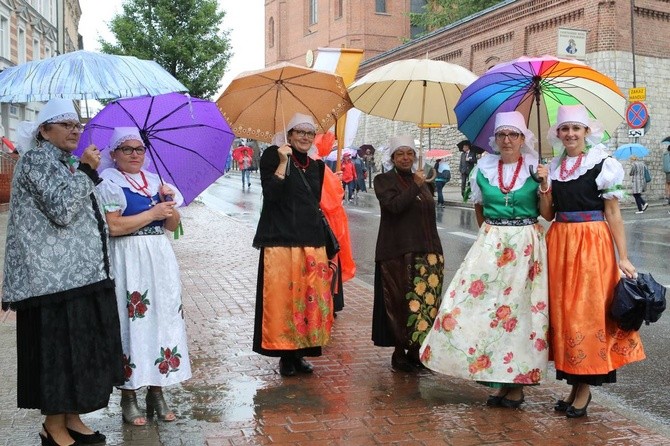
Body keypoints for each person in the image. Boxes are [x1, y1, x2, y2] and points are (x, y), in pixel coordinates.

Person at [2, 99, 124, 446]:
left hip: (76, 277)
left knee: (78, 349)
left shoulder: (63, 161)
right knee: (56, 352)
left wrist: (82, 170)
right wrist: (87, 170)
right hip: (49, 280)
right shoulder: (36, 160)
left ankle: (71, 418)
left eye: (77, 124)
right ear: (44, 130)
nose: (75, 130)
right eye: (66, 124)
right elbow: (62, 208)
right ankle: (52, 426)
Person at [420, 111, 552, 408]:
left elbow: (548, 214)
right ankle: (495, 377)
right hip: (491, 245)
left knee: (518, 316)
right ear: (495, 140)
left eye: (513, 135)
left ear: (523, 139)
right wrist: (493, 237)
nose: (507, 140)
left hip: (526, 248)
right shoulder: (484, 168)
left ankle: (515, 384)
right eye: (502, 135)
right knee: (483, 310)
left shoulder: (536, 169)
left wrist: (544, 186)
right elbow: (480, 209)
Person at [544, 104, 645, 418]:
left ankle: (584, 391)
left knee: (586, 316)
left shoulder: (603, 163)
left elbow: (613, 213)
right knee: (565, 315)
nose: (571, 134)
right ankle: (574, 386)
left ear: (586, 131)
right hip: (560, 241)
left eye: (576, 128)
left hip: (592, 245)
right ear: (558, 134)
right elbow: (547, 214)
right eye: (565, 129)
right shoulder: (554, 166)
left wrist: (623, 257)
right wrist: (544, 185)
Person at [97, 127, 191, 425]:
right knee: (131, 323)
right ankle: (129, 396)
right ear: (113, 154)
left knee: (162, 320)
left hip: (159, 260)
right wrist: (152, 213)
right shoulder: (107, 183)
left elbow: (172, 225)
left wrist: (169, 206)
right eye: (127, 149)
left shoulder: (156, 182)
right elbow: (113, 227)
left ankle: (157, 391)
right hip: (128, 259)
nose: (135, 154)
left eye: (139, 149)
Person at [252, 113, 334, 377]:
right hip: (281, 242)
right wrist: (283, 162)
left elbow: (313, 205)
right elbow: (272, 195)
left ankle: (301, 353)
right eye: (299, 132)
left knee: (308, 300)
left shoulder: (317, 166)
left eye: (309, 134)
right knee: (284, 301)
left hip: (311, 242)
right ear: (289, 136)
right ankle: (285, 356)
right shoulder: (272, 158)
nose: (305, 137)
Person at [372, 135, 444, 372]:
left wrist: (435, 249)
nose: (405, 158)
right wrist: (415, 185)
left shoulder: (424, 181)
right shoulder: (383, 180)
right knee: (401, 303)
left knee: (425, 304)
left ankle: (416, 351)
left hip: (428, 251)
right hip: (398, 253)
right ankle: (399, 352)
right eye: (400, 154)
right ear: (393, 158)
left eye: (409, 153)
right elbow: (394, 207)